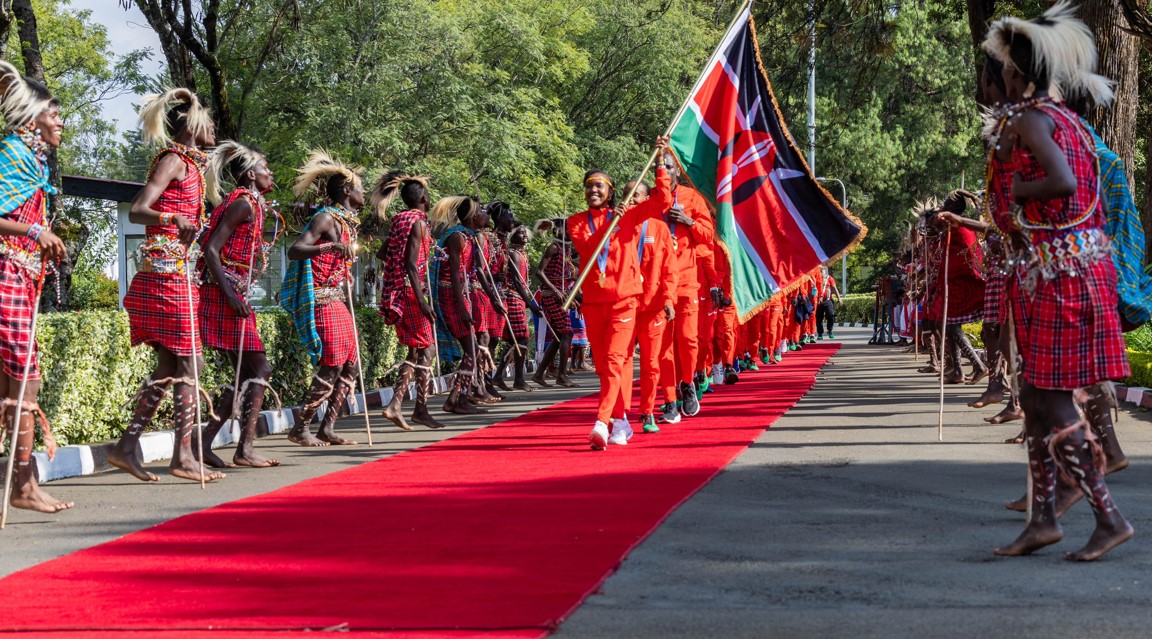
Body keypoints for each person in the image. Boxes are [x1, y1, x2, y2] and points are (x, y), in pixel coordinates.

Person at [982, 1, 1132, 560]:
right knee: (1034, 395)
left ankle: (1107, 515)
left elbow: (1063, 182)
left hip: (1060, 274)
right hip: (1075, 269)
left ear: (1019, 74)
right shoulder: (1070, 120)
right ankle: (1043, 517)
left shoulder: (1028, 120)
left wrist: (1018, 194)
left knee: (1051, 399)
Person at [109, 88, 224, 483]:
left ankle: (127, 447)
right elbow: (141, 209)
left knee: (170, 365)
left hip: (177, 274)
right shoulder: (174, 160)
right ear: (193, 127)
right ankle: (183, 456)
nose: (213, 129)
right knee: (192, 363)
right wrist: (173, 220)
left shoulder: (192, 167)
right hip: (164, 275)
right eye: (208, 123)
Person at [0, 61, 72, 512]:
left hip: (21, 278)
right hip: (5, 275)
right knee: (27, 378)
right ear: (32, 118)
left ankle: (21, 484)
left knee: (12, 382)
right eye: (54, 112)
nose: (60, 120)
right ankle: (22, 487)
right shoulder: (10, 153)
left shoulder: (32, 163)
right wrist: (32, 234)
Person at [570, 137, 672, 450]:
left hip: (625, 302)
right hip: (594, 303)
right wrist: (611, 224)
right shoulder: (576, 223)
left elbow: (663, 201)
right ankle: (621, 421)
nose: (594, 191)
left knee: (615, 361)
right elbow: (588, 248)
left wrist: (659, 164)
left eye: (600, 186)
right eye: (589, 186)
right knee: (604, 368)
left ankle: (601, 422)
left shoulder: (629, 215)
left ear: (611, 192)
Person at [195, 141, 281, 468]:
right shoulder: (243, 204)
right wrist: (231, 296)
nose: (270, 172)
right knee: (259, 368)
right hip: (225, 295)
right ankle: (243, 449)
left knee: (247, 372)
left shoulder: (249, 204)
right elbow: (211, 250)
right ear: (249, 174)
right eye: (264, 167)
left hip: (232, 293)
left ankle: (205, 442)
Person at [282, 150, 364, 446]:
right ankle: (300, 427)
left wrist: (346, 274)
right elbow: (295, 250)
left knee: (350, 365)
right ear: (347, 191)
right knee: (331, 363)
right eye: (360, 186)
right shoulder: (325, 218)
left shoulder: (346, 222)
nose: (364, 191)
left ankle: (327, 427)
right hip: (321, 300)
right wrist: (329, 249)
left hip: (338, 299)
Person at [645, 150, 714, 418]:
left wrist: (688, 222)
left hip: (686, 282)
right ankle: (670, 397)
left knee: (687, 339)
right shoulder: (650, 199)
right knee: (663, 345)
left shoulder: (692, 198)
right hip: (657, 285)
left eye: (668, 167)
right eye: (659, 168)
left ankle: (688, 383)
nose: (663, 172)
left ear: (678, 171)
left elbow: (708, 237)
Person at [374, 171, 445, 431]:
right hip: (412, 294)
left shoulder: (399, 220)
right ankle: (416, 409)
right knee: (428, 350)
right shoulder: (418, 223)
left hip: (399, 291)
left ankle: (399, 405)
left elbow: (385, 253)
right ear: (424, 198)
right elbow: (411, 265)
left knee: (416, 350)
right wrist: (423, 300)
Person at [431, 195, 502, 414]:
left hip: (460, 294)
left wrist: (493, 298)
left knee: (472, 348)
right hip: (451, 296)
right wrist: (463, 308)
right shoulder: (458, 237)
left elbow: (476, 271)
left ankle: (458, 398)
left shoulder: (470, 238)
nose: (485, 215)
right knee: (471, 348)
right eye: (481, 211)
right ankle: (456, 399)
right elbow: (453, 274)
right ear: (472, 215)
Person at [621, 178, 677, 433]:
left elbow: (669, 269)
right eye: (626, 194)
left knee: (651, 363)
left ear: (646, 200)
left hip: (652, 306)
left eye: (635, 195)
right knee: (620, 361)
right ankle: (618, 413)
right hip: (623, 305)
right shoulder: (616, 225)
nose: (630, 199)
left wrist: (668, 299)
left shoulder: (659, 228)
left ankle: (647, 412)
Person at [491, 213, 540, 392]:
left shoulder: (520, 254)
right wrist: (530, 303)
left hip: (518, 299)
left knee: (515, 340)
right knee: (522, 338)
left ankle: (498, 376)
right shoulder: (514, 254)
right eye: (520, 233)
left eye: (525, 232)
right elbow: (518, 283)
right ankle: (517, 378)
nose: (524, 235)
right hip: (513, 298)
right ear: (513, 236)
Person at [532, 219, 577, 388]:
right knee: (567, 332)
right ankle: (562, 375)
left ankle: (539, 373)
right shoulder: (553, 248)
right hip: (550, 295)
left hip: (559, 296)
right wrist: (556, 290)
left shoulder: (567, 251)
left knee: (560, 336)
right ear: (560, 231)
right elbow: (539, 272)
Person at [815, 266, 843, 339]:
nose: (822, 272)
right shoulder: (815, 278)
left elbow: (834, 288)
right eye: (821, 271)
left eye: (823, 270)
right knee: (819, 318)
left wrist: (839, 298)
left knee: (830, 315)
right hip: (818, 301)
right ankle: (820, 334)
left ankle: (829, 330)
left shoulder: (829, 278)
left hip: (828, 300)